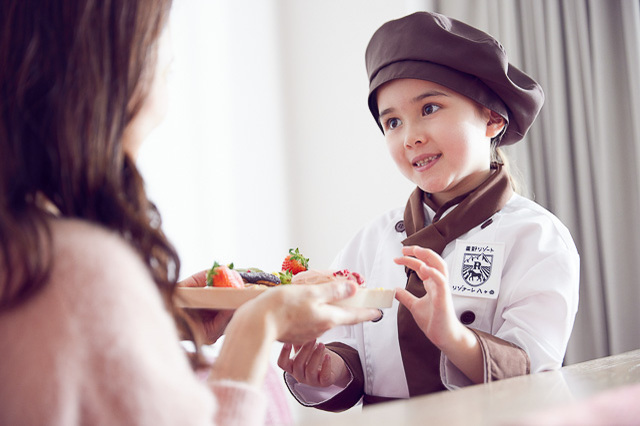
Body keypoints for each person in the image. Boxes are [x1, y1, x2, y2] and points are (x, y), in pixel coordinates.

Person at [0, 1, 380, 425]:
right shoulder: (75, 267)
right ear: (102, 65)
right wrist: (255, 328)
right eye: (154, 35)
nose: (168, 56)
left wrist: (171, 328)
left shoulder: (28, 246)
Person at [278, 11, 580, 411]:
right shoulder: (370, 241)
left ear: (492, 117)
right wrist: (327, 370)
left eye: (430, 109)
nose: (411, 137)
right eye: (392, 122)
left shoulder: (538, 237)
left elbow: (536, 376)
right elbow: (352, 354)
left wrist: (452, 336)